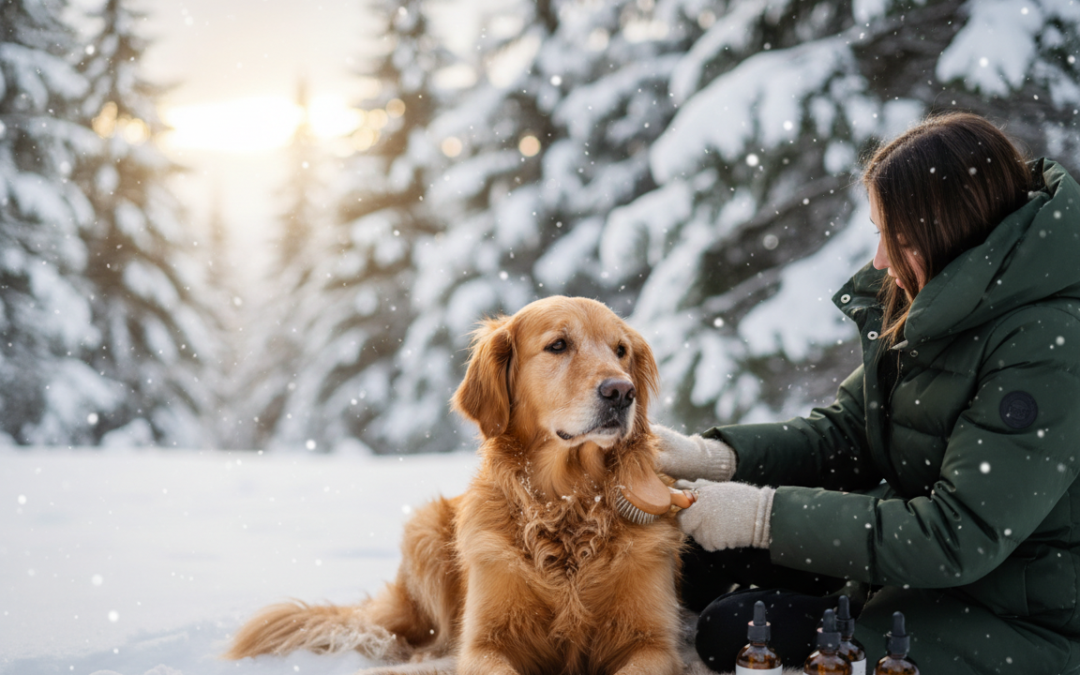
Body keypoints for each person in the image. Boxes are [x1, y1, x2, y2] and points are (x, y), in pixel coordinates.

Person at [654, 112, 1080, 674]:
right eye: (879, 233)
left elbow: (958, 535)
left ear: (950, 229)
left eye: (897, 239)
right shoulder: (936, 290)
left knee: (733, 633)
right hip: (907, 575)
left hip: (1011, 619)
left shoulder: (1047, 346)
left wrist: (761, 516)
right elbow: (849, 433)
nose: (879, 260)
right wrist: (712, 457)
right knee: (689, 558)